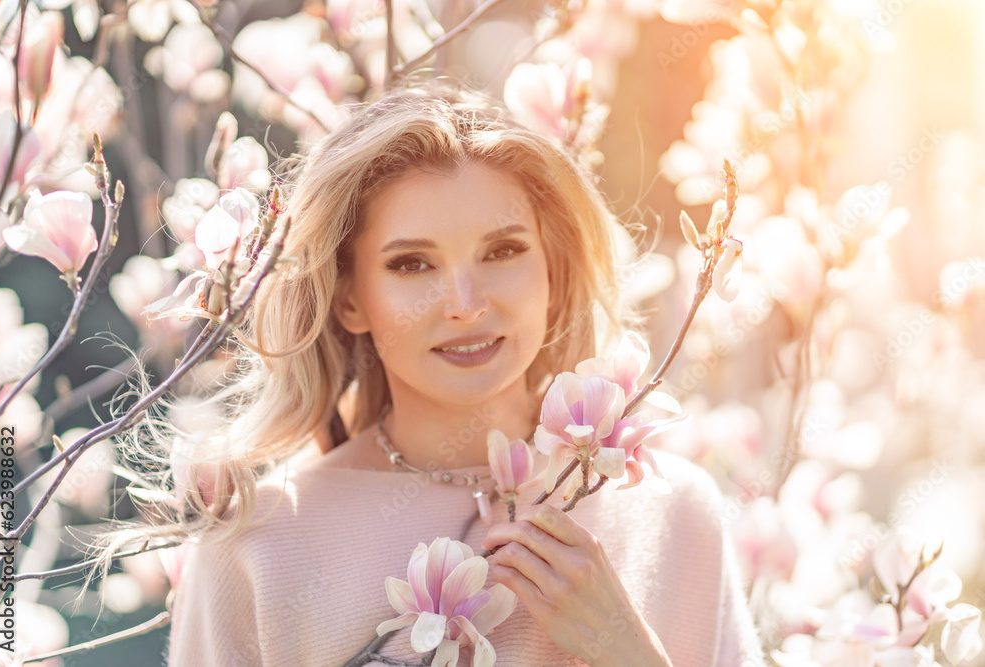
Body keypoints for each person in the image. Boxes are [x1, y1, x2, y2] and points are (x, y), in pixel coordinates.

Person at [150, 82, 762, 666]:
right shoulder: (258, 545)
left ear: (553, 269)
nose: (465, 303)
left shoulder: (673, 511)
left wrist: (625, 652)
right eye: (412, 264)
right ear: (349, 300)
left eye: (502, 251)